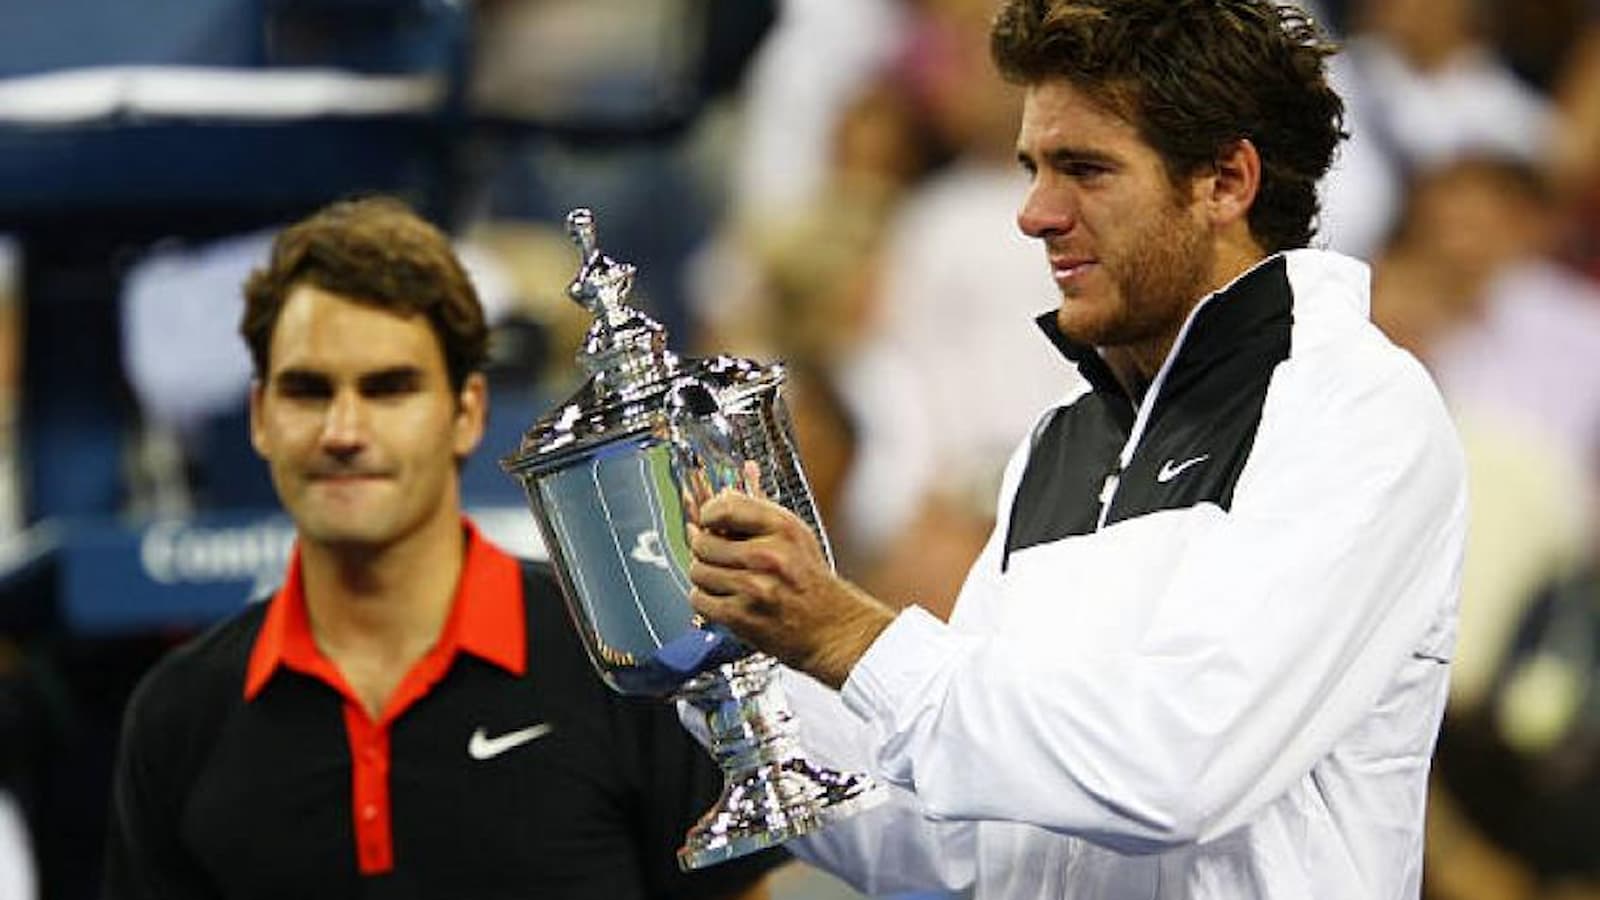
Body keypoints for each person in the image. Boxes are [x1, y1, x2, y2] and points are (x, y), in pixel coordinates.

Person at [682, 0, 1469, 897]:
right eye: (1033, 168)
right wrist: (715, 666)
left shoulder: (1356, 408)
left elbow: (1175, 769)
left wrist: (845, 633)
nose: (1035, 213)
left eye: (1084, 169)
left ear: (1226, 181)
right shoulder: (1063, 434)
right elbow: (959, 844)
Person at [102, 197, 783, 899]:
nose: (344, 429)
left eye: (388, 389)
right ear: (260, 418)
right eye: (308, 391)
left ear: (468, 413)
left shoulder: (628, 665)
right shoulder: (178, 714)